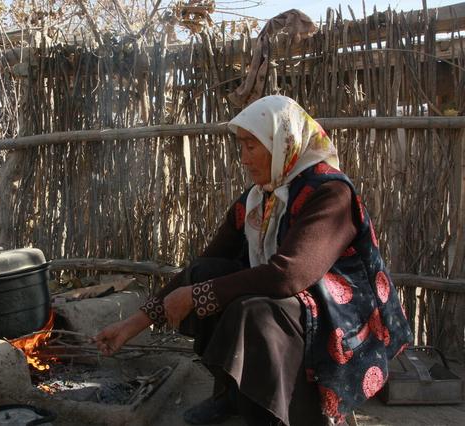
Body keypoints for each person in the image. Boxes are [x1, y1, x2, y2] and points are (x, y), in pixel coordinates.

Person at [94, 95, 412, 425]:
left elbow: (289, 274)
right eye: (241, 146)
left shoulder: (330, 193)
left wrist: (198, 295)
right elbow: (205, 262)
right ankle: (233, 396)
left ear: (283, 142)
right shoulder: (261, 198)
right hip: (299, 302)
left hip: (340, 315)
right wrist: (131, 326)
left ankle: (289, 412)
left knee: (252, 311)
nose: (243, 159)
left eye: (251, 146)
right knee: (206, 274)